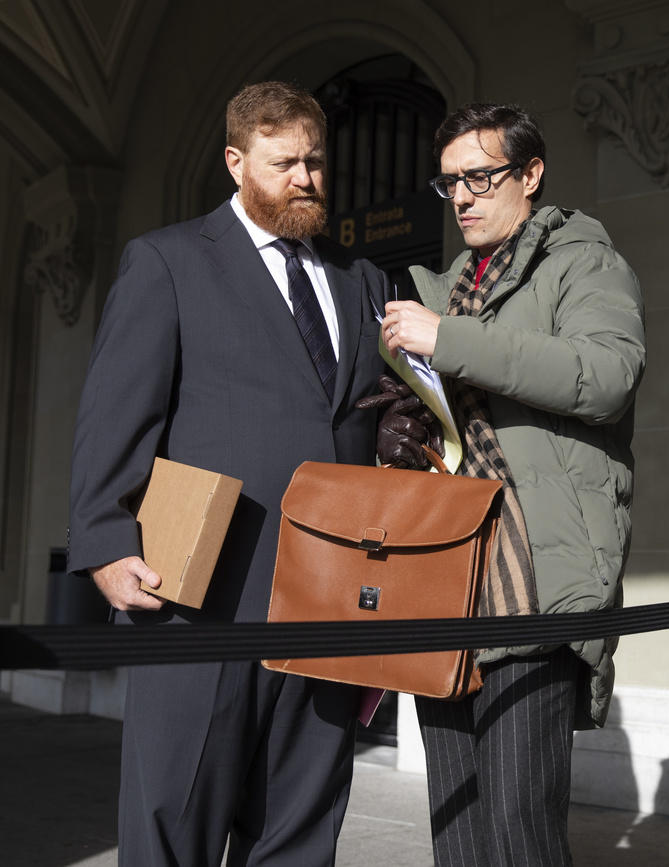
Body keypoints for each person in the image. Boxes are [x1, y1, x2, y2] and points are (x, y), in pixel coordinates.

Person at [66, 81, 388, 865]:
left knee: (302, 823)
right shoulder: (167, 261)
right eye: (285, 163)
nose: (306, 178)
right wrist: (106, 539)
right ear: (235, 162)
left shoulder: (363, 280)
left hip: (328, 594)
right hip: (198, 592)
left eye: (316, 160)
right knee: (173, 814)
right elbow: (117, 413)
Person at [379, 102, 645, 866]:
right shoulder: (440, 286)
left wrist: (449, 340)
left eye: (479, 177)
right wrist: (396, 430)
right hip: (440, 573)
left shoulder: (584, 262)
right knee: (456, 830)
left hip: (532, 574)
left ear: (530, 175)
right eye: (448, 182)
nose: (460, 196)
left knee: (519, 830)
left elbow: (606, 376)